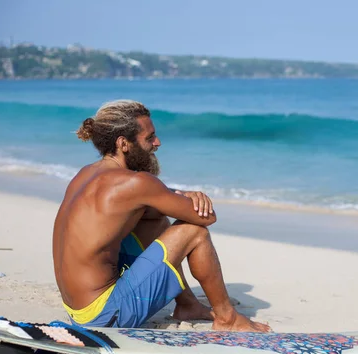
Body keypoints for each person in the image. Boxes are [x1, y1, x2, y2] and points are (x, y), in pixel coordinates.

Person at [52, 99, 270, 332]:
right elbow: (206, 218)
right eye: (149, 138)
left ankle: (187, 305)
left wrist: (175, 196)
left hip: (79, 311)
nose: (157, 143)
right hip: (105, 317)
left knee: (152, 221)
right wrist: (191, 197)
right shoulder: (136, 183)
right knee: (194, 232)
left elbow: (149, 207)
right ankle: (228, 319)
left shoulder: (85, 174)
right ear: (124, 143)